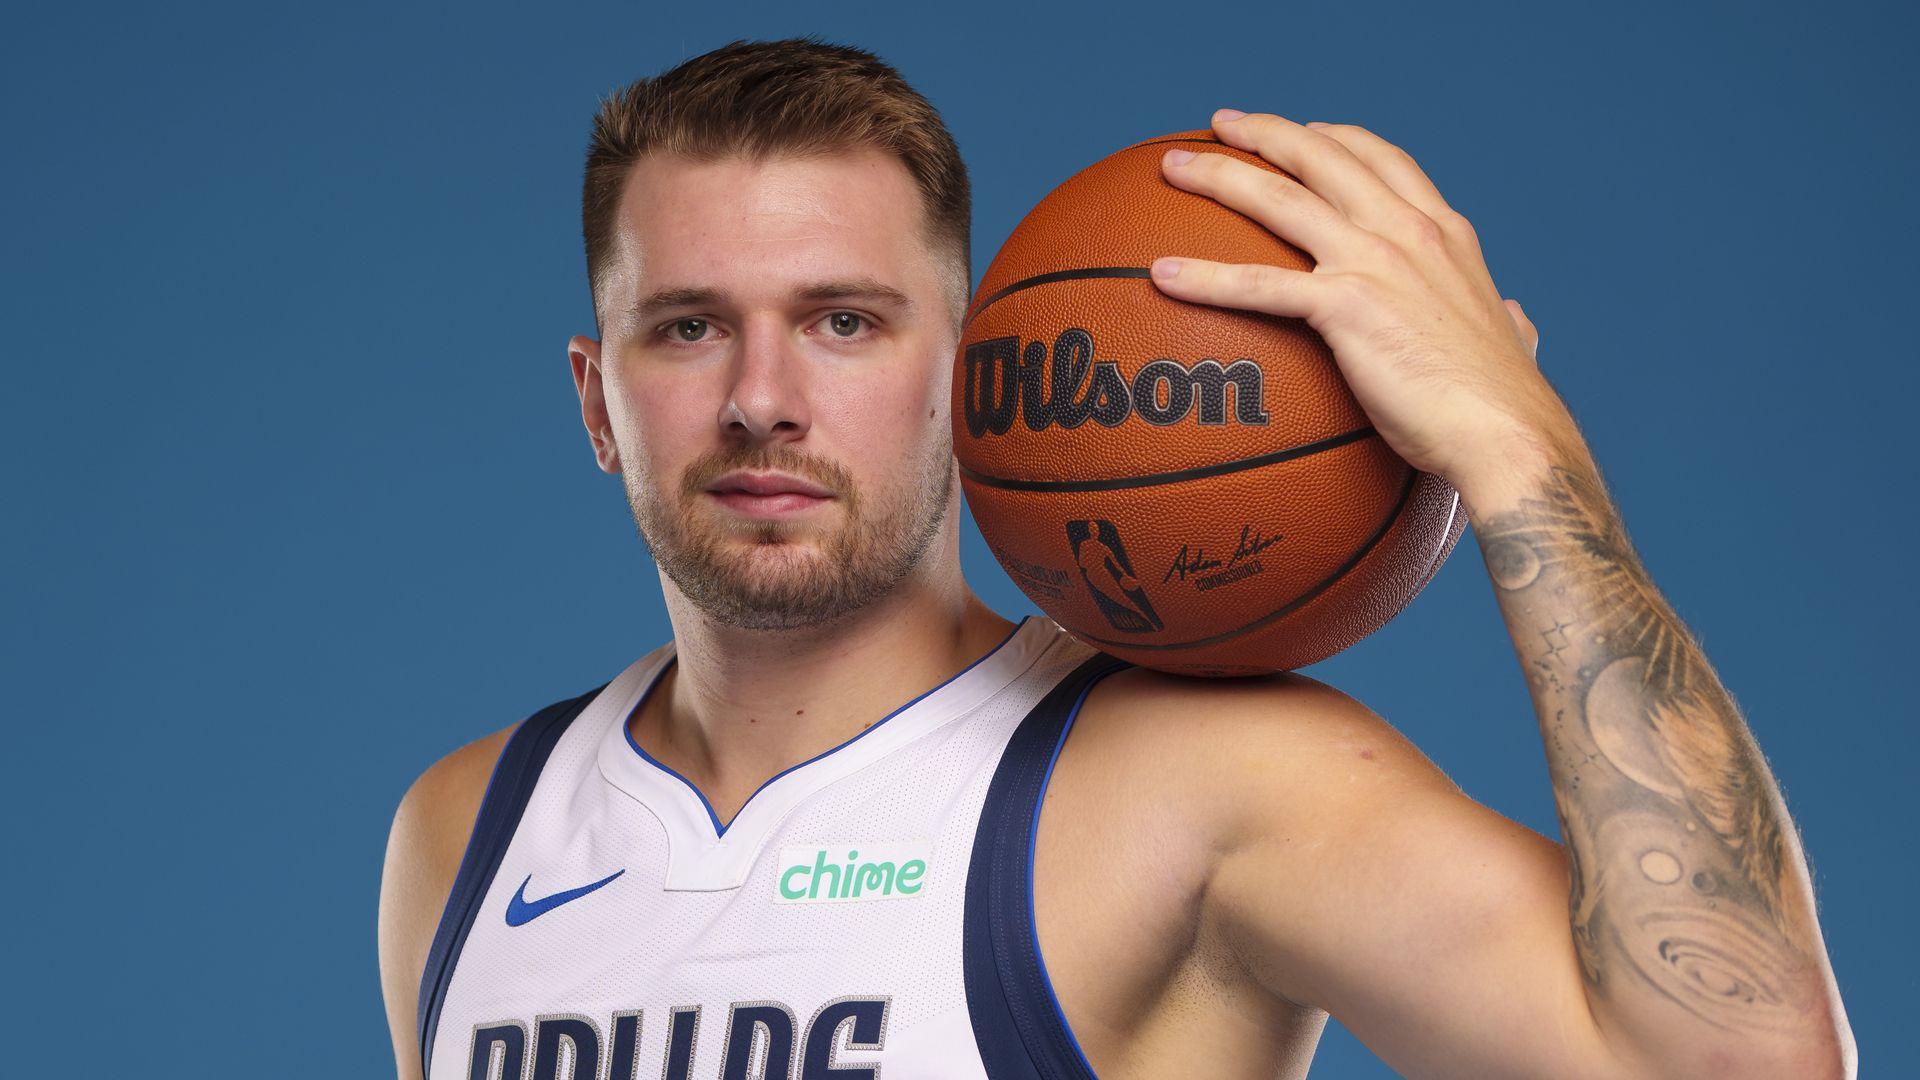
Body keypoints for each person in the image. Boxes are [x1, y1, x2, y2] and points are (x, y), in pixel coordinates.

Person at [376, 38, 1854, 1080]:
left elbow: (1747, 1063)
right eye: (690, 324)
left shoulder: (1191, 786)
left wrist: (1530, 465)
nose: (763, 396)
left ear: (967, 375)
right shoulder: (467, 834)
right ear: (596, 400)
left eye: (845, 320)